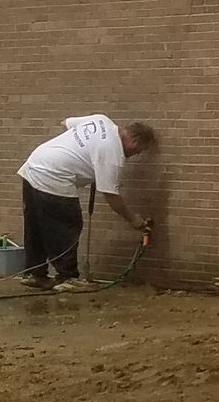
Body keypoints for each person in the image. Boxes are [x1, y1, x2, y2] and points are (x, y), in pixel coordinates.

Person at [17, 115, 157, 290]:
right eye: (138, 151)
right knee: (67, 224)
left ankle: (34, 273)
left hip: (35, 165)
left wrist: (87, 150)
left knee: (37, 225)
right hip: (54, 176)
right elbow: (111, 196)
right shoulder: (112, 155)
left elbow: (65, 122)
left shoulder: (101, 120)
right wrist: (134, 220)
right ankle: (67, 278)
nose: (134, 155)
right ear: (135, 141)